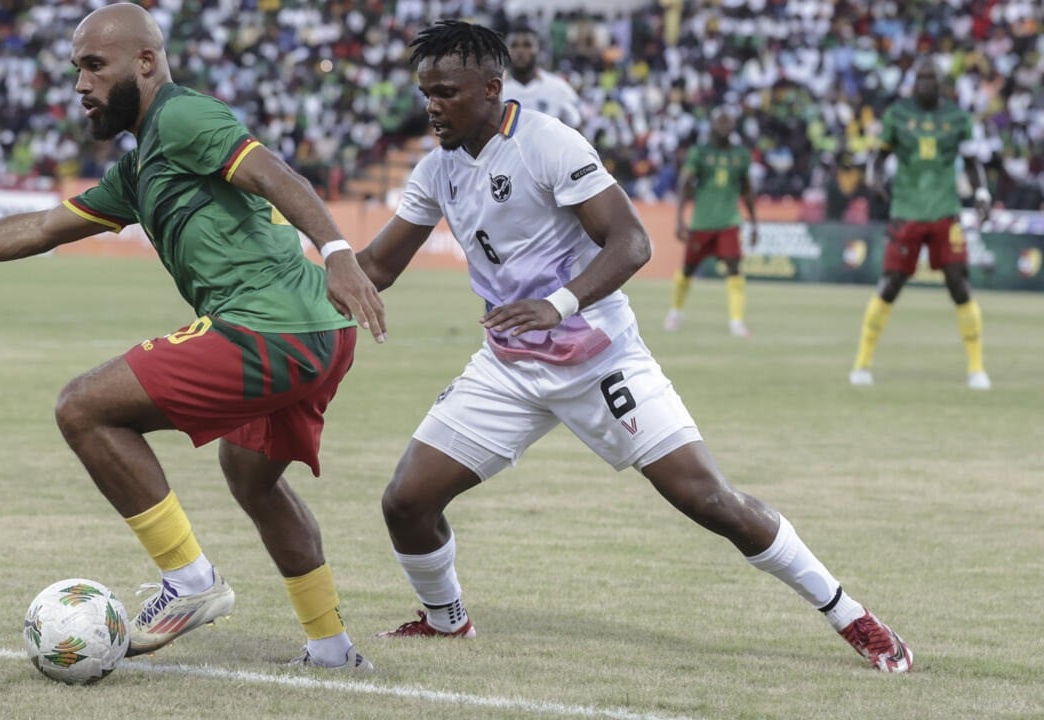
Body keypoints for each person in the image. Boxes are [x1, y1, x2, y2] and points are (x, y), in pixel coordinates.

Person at [0, 3, 385, 671]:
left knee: (83, 408)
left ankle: (191, 583)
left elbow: (272, 173)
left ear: (144, 63)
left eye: (94, 66)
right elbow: (40, 230)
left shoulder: (181, 116)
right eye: (75, 71)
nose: (80, 86)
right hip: (321, 333)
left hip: (271, 328)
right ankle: (331, 649)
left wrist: (339, 249)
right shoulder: (139, 167)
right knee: (252, 478)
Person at [357, 20, 912, 673]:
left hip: (599, 357)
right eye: (426, 93)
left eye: (446, 92)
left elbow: (632, 242)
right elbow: (376, 268)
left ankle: (853, 617)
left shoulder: (548, 143)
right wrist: (297, 272)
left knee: (711, 501)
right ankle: (446, 621)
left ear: (490, 88)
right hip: (509, 366)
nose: (432, 106)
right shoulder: (436, 168)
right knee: (406, 500)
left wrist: (557, 304)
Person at [850, 57, 993, 390]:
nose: (926, 84)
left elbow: (973, 162)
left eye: (932, 78)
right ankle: (861, 364)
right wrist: (875, 177)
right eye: (921, 78)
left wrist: (983, 193)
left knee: (960, 285)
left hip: (946, 210)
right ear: (914, 82)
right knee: (890, 284)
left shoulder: (957, 117)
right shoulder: (897, 115)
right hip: (907, 210)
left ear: (941, 83)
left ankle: (977, 368)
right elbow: (880, 156)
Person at [663, 108, 758, 337]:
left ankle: (736, 321)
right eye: (719, 123)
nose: (723, 128)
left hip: (729, 221)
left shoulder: (741, 155)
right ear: (712, 125)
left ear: (733, 127)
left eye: (728, 123)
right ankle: (675, 311)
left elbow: (747, 190)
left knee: (734, 266)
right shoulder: (700, 152)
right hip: (702, 222)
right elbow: (685, 182)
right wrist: (679, 219)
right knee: (688, 270)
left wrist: (755, 223)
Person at [501, 23, 582, 129]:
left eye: (527, 45)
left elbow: (576, 129)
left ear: (538, 49)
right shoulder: (495, 88)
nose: (520, 51)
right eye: (514, 45)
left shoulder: (558, 88)